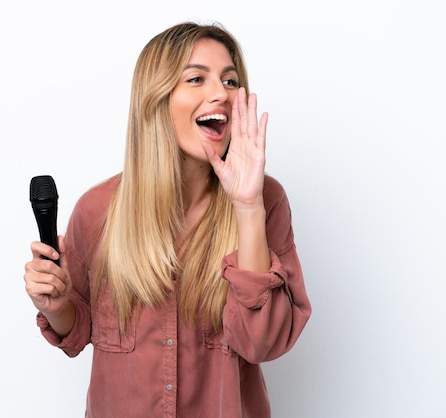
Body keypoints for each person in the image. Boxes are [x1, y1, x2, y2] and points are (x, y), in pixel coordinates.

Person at [24, 21, 311, 418]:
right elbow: (80, 327)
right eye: (197, 78)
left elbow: (262, 343)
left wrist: (247, 207)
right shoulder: (97, 211)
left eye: (230, 81)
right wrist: (56, 305)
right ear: (156, 99)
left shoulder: (267, 202)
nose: (221, 94)